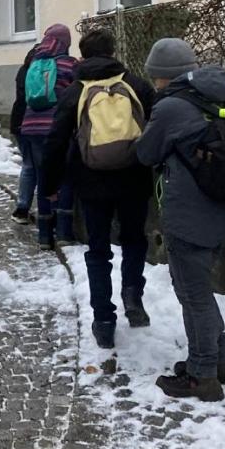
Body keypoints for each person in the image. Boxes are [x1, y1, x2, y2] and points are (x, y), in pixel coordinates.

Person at [136, 39, 225, 402]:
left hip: (187, 215)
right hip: (222, 207)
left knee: (193, 296)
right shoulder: (221, 96)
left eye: (154, 76)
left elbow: (146, 152)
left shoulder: (170, 106)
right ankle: (222, 363)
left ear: (162, 76)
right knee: (203, 293)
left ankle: (202, 376)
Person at [41, 29, 155, 350]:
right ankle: (133, 293)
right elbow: (157, 126)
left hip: (91, 182)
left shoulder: (75, 91)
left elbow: (55, 142)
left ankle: (104, 320)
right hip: (134, 177)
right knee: (134, 239)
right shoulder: (137, 84)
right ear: (113, 50)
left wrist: (50, 186)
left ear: (84, 55)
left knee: (98, 249)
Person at [19, 23, 77, 249]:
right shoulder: (69, 65)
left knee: (43, 177)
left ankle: (44, 235)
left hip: (31, 127)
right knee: (65, 177)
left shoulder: (34, 63)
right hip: (56, 129)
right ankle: (63, 232)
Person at [9, 45, 37, 223]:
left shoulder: (23, 71)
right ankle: (45, 211)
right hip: (34, 123)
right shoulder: (40, 72)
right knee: (37, 166)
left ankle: (22, 208)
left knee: (28, 165)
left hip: (19, 122)